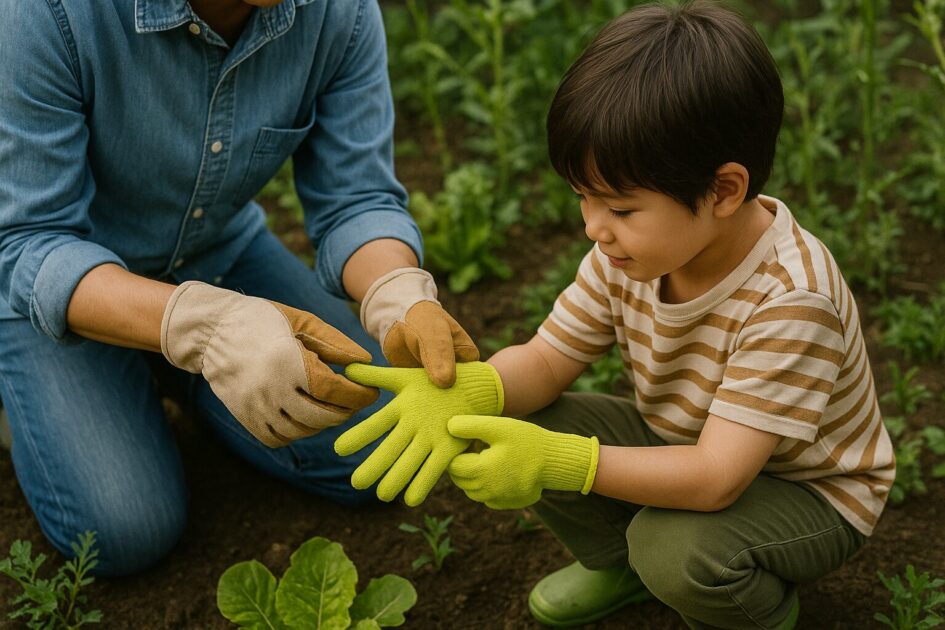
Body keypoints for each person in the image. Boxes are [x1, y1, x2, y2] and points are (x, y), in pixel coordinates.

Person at [334, 2, 895, 628]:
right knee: (519, 410)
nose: (594, 227)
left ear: (724, 191)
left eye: (621, 208)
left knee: (673, 546)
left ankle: (753, 612)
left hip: (806, 495)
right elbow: (546, 362)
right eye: (583, 198)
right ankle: (620, 566)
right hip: (690, 445)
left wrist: (557, 461)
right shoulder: (626, 256)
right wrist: (473, 390)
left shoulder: (791, 299)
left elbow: (715, 478)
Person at [0, 0, 479, 576]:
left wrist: (398, 295)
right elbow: (30, 239)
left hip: (212, 252)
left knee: (379, 450)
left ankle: (187, 378)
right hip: (55, 282)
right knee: (126, 529)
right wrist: (206, 327)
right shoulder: (45, 15)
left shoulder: (339, 14)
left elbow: (356, 197)